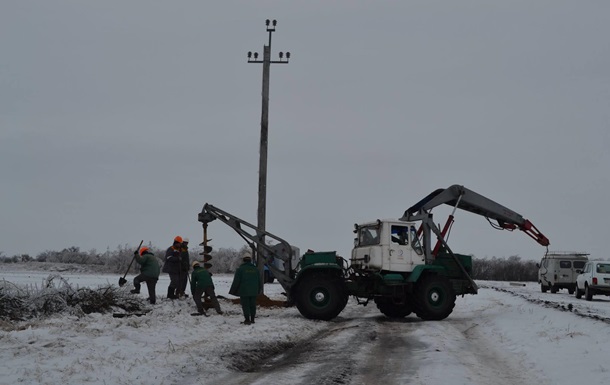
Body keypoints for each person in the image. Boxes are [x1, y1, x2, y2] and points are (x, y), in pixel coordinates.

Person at [229, 254, 262, 325]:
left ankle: (247, 320)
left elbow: (236, 281)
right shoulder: (256, 269)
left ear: (243, 260)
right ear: (250, 260)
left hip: (244, 291)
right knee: (253, 305)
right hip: (254, 291)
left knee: (245, 305)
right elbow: (259, 281)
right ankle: (252, 319)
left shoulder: (240, 269)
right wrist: (259, 290)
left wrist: (233, 291)